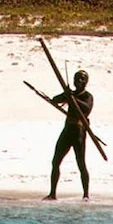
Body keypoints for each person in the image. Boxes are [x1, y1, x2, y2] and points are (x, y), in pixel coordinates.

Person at [44, 69, 94, 201]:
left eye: (82, 79)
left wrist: (72, 98)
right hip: (67, 130)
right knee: (55, 161)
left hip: (78, 132)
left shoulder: (87, 96)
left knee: (81, 163)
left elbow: (86, 108)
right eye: (77, 78)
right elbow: (55, 100)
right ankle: (52, 194)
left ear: (86, 82)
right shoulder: (70, 94)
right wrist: (66, 95)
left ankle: (86, 195)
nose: (79, 81)